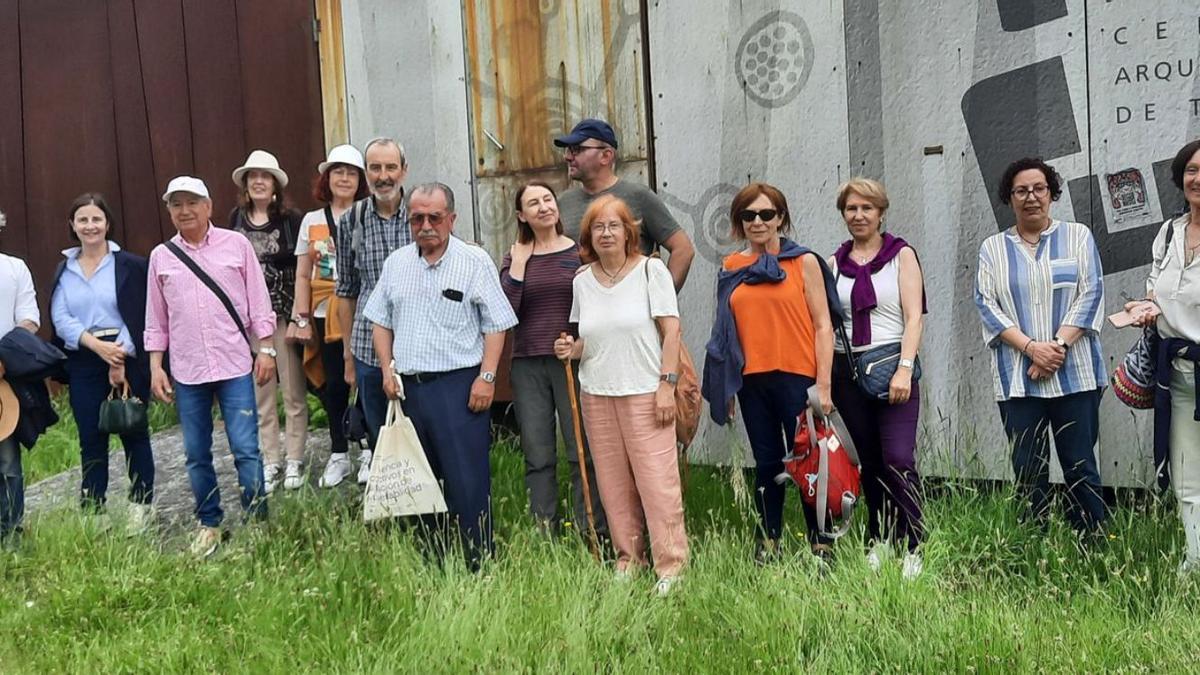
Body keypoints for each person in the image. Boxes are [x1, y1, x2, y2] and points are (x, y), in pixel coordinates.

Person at [365, 183, 517, 571]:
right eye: (418, 218)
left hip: (459, 387)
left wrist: (488, 377)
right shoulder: (396, 263)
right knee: (420, 483)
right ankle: (433, 562)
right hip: (409, 389)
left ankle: (479, 565)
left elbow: (496, 324)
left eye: (435, 217)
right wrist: (386, 367)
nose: (426, 225)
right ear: (409, 221)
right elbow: (379, 320)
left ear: (452, 218)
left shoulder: (474, 261)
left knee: (467, 482)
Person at [553, 194, 688, 597]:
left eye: (614, 225)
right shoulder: (582, 281)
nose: (606, 233)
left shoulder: (651, 271)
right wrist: (570, 349)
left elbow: (672, 331)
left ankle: (671, 566)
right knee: (611, 483)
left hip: (646, 391)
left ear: (630, 232)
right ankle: (628, 558)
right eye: (598, 227)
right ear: (588, 237)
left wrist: (667, 384)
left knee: (657, 482)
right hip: (596, 392)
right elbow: (587, 341)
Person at [701, 183, 838, 567]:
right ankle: (769, 540)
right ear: (738, 222)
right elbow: (723, 333)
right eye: (749, 215)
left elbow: (823, 326)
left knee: (809, 461)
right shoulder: (731, 268)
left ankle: (821, 544)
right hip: (752, 380)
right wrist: (724, 386)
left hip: (799, 377)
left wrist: (823, 384)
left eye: (767, 214)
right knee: (767, 462)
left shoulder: (803, 262)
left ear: (781, 217)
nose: (758, 222)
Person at [974, 157, 1107, 535]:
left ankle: (1093, 542)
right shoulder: (992, 248)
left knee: (1080, 464)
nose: (1031, 197)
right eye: (1021, 191)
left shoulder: (1078, 236)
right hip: (1018, 379)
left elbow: (1092, 292)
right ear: (1009, 197)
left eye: (1039, 188)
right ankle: (1034, 544)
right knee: (1028, 468)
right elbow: (986, 304)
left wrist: (1056, 347)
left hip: (1074, 374)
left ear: (1051, 193)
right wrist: (1032, 349)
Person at [146, 176, 277, 558]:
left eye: (191, 203)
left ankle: (257, 522)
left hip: (234, 362)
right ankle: (209, 523)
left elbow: (258, 300)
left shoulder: (236, 245)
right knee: (195, 452)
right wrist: (156, 365)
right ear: (169, 211)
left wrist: (266, 349)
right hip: (188, 369)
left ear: (208, 206)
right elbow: (157, 317)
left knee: (246, 448)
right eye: (176, 205)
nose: (184, 211)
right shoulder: (161, 257)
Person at [828, 178, 926, 578]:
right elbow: (826, 324)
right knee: (869, 463)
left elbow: (914, 316)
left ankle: (914, 542)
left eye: (867, 208)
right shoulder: (834, 264)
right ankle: (880, 538)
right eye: (852, 209)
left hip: (891, 368)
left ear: (881, 212)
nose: (859, 215)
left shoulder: (900, 256)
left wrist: (905, 368)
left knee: (898, 459)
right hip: (848, 374)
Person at [500, 181, 607, 537]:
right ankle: (544, 529)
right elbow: (506, 313)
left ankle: (589, 527)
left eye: (548, 199)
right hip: (527, 362)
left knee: (582, 448)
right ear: (522, 215)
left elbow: (596, 308)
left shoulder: (579, 253)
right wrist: (517, 266)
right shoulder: (515, 256)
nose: (544, 207)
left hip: (572, 361)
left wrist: (577, 343)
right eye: (534, 203)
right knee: (537, 449)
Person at [50, 194, 154, 534]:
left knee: (132, 430)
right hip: (84, 358)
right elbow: (60, 316)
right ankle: (95, 510)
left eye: (96, 219)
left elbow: (139, 312)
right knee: (90, 435)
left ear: (107, 223)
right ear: (73, 226)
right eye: (83, 220)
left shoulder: (130, 265)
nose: (90, 226)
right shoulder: (64, 269)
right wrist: (96, 346)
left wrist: (118, 355)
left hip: (127, 354)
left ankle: (141, 506)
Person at [1127, 139, 1200, 573]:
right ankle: (1195, 562)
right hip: (1176, 373)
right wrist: (1146, 307)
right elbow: (1156, 285)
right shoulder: (1170, 232)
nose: (1198, 178)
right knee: (1187, 476)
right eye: (1191, 170)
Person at [229, 150, 307, 493]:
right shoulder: (235, 220)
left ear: (275, 184)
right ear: (246, 185)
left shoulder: (292, 220)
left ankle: (294, 458)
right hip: (249, 320)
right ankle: (271, 459)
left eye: (265, 175)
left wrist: (298, 317)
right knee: (261, 393)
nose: (259, 181)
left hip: (283, 315)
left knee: (292, 390)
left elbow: (302, 269)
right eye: (253, 176)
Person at [291, 144, 369, 489]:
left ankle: (368, 448)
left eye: (351, 173)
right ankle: (339, 451)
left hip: (364, 311)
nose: (344, 178)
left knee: (365, 381)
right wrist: (301, 316)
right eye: (338, 171)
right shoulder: (311, 220)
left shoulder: (369, 213)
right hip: (325, 312)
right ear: (327, 177)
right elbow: (303, 273)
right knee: (334, 383)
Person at [335, 137, 411, 484]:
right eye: (376, 168)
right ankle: (389, 497)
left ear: (403, 171)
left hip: (417, 341)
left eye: (390, 167)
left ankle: (428, 499)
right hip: (368, 345)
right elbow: (347, 292)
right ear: (367, 174)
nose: (383, 176)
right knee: (381, 429)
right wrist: (349, 356)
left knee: (419, 425)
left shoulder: (422, 214)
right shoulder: (351, 220)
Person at [553, 118, 695, 291]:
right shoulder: (561, 203)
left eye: (577, 149)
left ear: (606, 156)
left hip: (631, 313)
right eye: (568, 150)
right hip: (582, 313)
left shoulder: (638, 196)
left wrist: (663, 300)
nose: (567, 156)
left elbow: (683, 249)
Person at [0, 208, 40, 544]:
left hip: (2, 378)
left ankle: (11, 533)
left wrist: (4, 355)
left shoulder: (14, 268)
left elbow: (28, 319)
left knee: (7, 461)